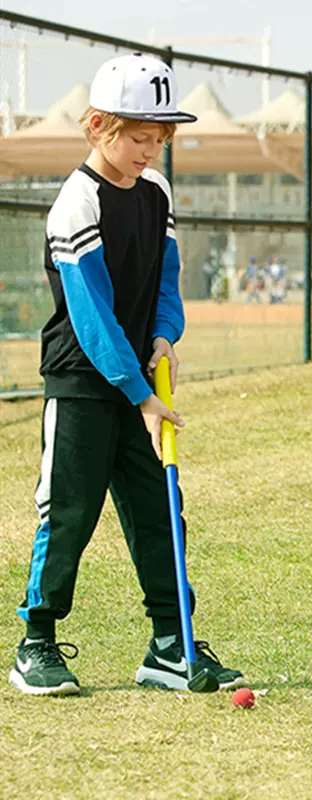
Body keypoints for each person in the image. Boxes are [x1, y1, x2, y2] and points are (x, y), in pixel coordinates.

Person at [10, 53, 244, 696]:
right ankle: (36, 643)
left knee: (159, 509)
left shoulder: (157, 192)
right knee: (69, 511)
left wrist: (165, 335)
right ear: (96, 127)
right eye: (138, 136)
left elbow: (166, 276)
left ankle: (171, 645)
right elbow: (91, 320)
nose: (150, 149)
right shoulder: (74, 204)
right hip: (85, 384)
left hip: (141, 379)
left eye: (159, 138)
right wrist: (141, 396)